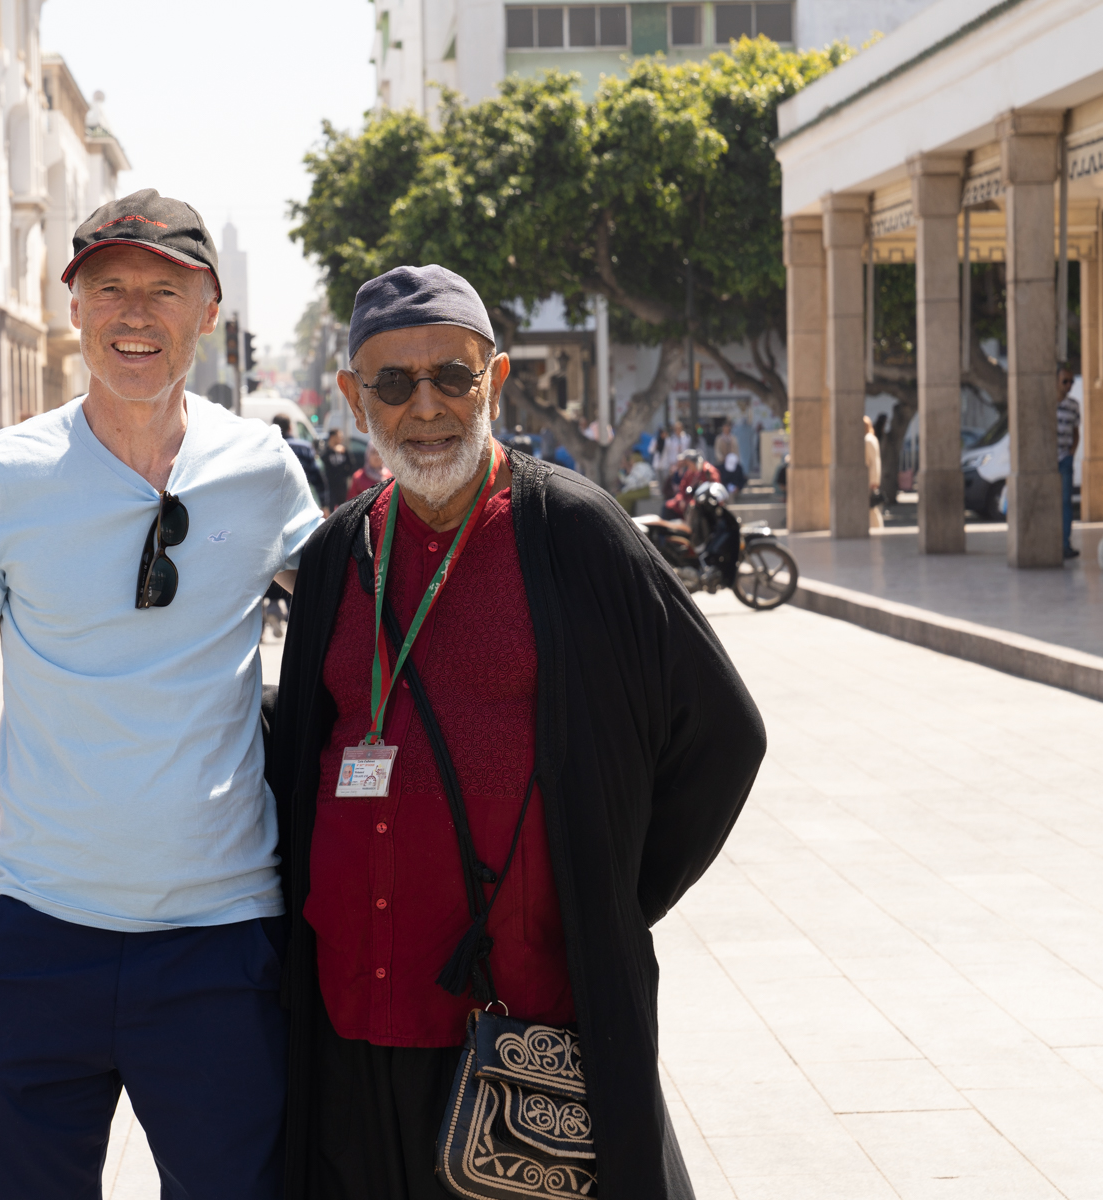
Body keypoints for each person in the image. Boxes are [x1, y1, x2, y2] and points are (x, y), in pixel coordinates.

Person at [266, 263, 765, 1199]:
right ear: (350, 397)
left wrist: (606, 894)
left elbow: (724, 733)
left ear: (494, 380)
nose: (426, 407)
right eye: (392, 382)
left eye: (452, 377)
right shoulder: (338, 550)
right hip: (351, 1023)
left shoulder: (574, 532)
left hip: (516, 1033)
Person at [0, 188, 322, 1200]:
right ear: (75, 310)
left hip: (222, 946)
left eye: (162, 291)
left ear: (207, 313)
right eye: (110, 289)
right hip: (40, 936)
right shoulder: (3, 477)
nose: (134, 313)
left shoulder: (265, 473)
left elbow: (365, 642)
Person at [273, 414, 327, 507]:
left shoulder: (270, 448)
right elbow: (316, 477)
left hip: (276, 502)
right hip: (301, 500)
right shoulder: (304, 447)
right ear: (290, 427)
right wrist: (324, 503)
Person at [1056, 364, 1080, 559]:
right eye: (1065, 381)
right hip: (1047, 460)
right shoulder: (1047, 403)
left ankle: (1065, 544)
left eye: (1072, 381)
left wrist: (1072, 452)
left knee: (1065, 502)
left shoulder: (1073, 405)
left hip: (1064, 458)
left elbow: (1076, 432)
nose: (1069, 385)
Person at [320, 428, 357, 509]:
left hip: (342, 485)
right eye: (339, 436)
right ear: (332, 437)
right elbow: (322, 462)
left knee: (343, 508)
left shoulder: (344, 450)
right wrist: (332, 449)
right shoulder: (326, 451)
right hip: (329, 486)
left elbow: (351, 464)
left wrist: (346, 476)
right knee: (330, 509)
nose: (341, 438)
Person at [616, 449, 656, 513]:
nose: (631, 461)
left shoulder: (638, 466)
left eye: (632, 459)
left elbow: (632, 482)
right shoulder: (645, 465)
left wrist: (621, 475)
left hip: (641, 491)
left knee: (621, 498)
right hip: (643, 490)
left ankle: (624, 515)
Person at [865, 414, 884, 529]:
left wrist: (874, 481)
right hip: (868, 478)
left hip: (869, 479)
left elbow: (874, 462)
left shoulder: (868, 440)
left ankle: (877, 527)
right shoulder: (870, 438)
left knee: (872, 507)